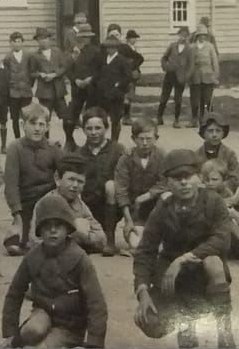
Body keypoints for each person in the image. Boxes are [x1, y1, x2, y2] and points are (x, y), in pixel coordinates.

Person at [132, 148, 235, 349]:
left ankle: (225, 333)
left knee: (213, 261)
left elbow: (222, 239)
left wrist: (184, 258)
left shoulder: (213, 202)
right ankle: (186, 328)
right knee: (150, 322)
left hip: (204, 276)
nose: (184, 183)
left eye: (189, 176)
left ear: (199, 177)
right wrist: (142, 290)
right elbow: (145, 250)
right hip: (174, 279)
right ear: (168, 183)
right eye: (177, 178)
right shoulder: (162, 208)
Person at [1, 194, 108, 349]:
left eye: (58, 225)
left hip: (70, 323)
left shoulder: (79, 258)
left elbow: (96, 302)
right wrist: (10, 332)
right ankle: (18, 340)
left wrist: (94, 342)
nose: (52, 230)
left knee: (42, 348)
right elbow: (14, 293)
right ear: (39, 230)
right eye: (47, 225)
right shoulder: (32, 257)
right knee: (32, 330)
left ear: (67, 228)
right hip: (43, 313)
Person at [3, 103, 63, 256]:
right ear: (23, 125)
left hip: (48, 201)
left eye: (41, 124)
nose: (37, 128)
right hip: (26, 203)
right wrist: (16, 213)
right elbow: (11, 184)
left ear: (47, 127)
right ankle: (22, 232)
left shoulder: (53, 148)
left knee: (52, 237)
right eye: (32, 123)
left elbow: (67, 173)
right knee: (14, 246)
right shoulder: (15, 148)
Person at [29, 154, 107, 254]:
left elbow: (101, 239)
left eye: (80, 181)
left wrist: (83, 236)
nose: (75, 185)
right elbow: (35, 241)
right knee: (79, 225)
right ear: (57, 179)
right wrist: (75, 234)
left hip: (73, 256)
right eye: (71, 179)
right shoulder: (46, 203)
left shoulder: (80, 205)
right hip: (50, 261)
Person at [76, 107, 125, 256]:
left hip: (110, 207)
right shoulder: (79, 154)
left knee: (111, 185)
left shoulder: (118, 150)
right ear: (83, 130)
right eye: (89, 128)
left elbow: (124, 180)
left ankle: (110, 238)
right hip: (88, 208)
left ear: (106, 128)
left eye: (98, 128)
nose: (94, 132)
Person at [115, 118, 167, 252]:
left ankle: (162, 231)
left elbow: (165, 182)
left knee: (167, 195)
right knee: (136, 244)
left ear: (156, 138)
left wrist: (146, 196)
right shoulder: (126, 158)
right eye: (140, 138)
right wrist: (128, 220)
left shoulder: (162, 156)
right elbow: (121, 189)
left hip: (156, 208)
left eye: (149, 138)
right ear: (133, 139)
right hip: (135, 212)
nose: (145, 143)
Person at [64, 23, 101, 151]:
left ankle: (90, 144)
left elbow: (100, 70)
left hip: (92, 89)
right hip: (77, 89)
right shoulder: (74, 52)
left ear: (90, 38)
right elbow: (68, 69)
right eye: (81, 37)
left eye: (86, 37)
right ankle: (69, 141)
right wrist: (75, 80)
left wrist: (90, 79)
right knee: (70, 116)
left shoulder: (96, 51)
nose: (83, 40)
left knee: (90, 116)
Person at [29, 28, 68, 136]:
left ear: (49, 39)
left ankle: (70, 140)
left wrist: (55, 74)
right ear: (37, 41)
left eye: (45, 38)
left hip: (58, 90)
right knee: (44, 118)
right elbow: (32, 73)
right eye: (40, 39)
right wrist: (40, 74)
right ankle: (45, 142)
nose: (43, 41)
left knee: (66, 117)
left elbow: (64, 67)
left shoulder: (57, 51)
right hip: (44, 92)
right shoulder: (34, 56)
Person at [94, 34, 131, 143]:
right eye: (108, 47)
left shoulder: (122, 60)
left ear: (116, 48)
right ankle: (102, 140)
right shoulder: (103, 59)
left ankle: (114, 141)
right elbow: (98, 74)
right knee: (102, 118)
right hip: (104, 93)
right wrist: (99, 84)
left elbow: (128, 76)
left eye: (113, 47)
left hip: (116, 94)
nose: (110, 50)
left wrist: (119, 85)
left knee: (115, 119)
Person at [157, 26, 193, 128]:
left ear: (188, 36)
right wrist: (165, 67)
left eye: (185, 35)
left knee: (178, 98)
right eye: (181, 34)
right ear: (178, 35)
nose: (183, 37)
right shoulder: (172, 46)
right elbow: (164, 58)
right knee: (164, 96)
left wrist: (186, 77)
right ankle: (159, 117)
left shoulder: (189, 49)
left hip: (180, 77)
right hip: (170, 74)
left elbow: (191, 65)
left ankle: (176, 120)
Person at [196, 113, 239, 195]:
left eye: (218, 131)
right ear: (203, 133)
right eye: (210, 131)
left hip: (223, 194)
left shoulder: (229, 154)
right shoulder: (196, 155)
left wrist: (219, 187)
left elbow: (234, 179)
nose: (214, 135)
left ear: (223, 133)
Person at [4, 32, 33, 141]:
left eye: (19, 41)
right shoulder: (8, 57)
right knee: (15, 118)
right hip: (13, 92)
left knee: (27, 116)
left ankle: (28, 138)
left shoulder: (28, 55)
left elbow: (31, 71)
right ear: (11, 43)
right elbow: (6, 74)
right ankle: (17, 139)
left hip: (26, 91)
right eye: (14, 42)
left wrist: (29, 84)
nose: (17, 44)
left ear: (22, 42)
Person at [188, 31, 220, 129]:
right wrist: (188, 76)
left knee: (207, 99)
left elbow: (215, 61)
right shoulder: (192, 47)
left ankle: (209, 119)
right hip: (195, 77)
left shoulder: (210, 46)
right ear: (197, 36)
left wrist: (215, 76)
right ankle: (195, 119)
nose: (202, 37)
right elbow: (189, 62)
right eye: (200, 35)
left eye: (204, 35)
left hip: (208, 76)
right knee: (195, 99)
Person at [118, 30, 145, 125]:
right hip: (127, 75)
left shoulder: (132, 48)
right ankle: (126, 117)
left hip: (132, 75)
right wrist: (132, 68)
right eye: (134, 38)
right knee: (127, 96)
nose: (135, 40)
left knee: (130, 96)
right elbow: (138, 59)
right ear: (129, 39)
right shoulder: (125, 48)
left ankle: (126, 115)